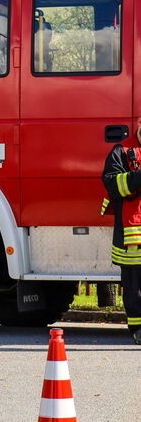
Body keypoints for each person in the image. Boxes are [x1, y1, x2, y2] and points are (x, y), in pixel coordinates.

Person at [101, 122, 141, 345]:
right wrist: (138, 177)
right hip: (132, 234)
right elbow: (112, 184)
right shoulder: (122, 151)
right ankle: (137, 328)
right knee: (134, 285)